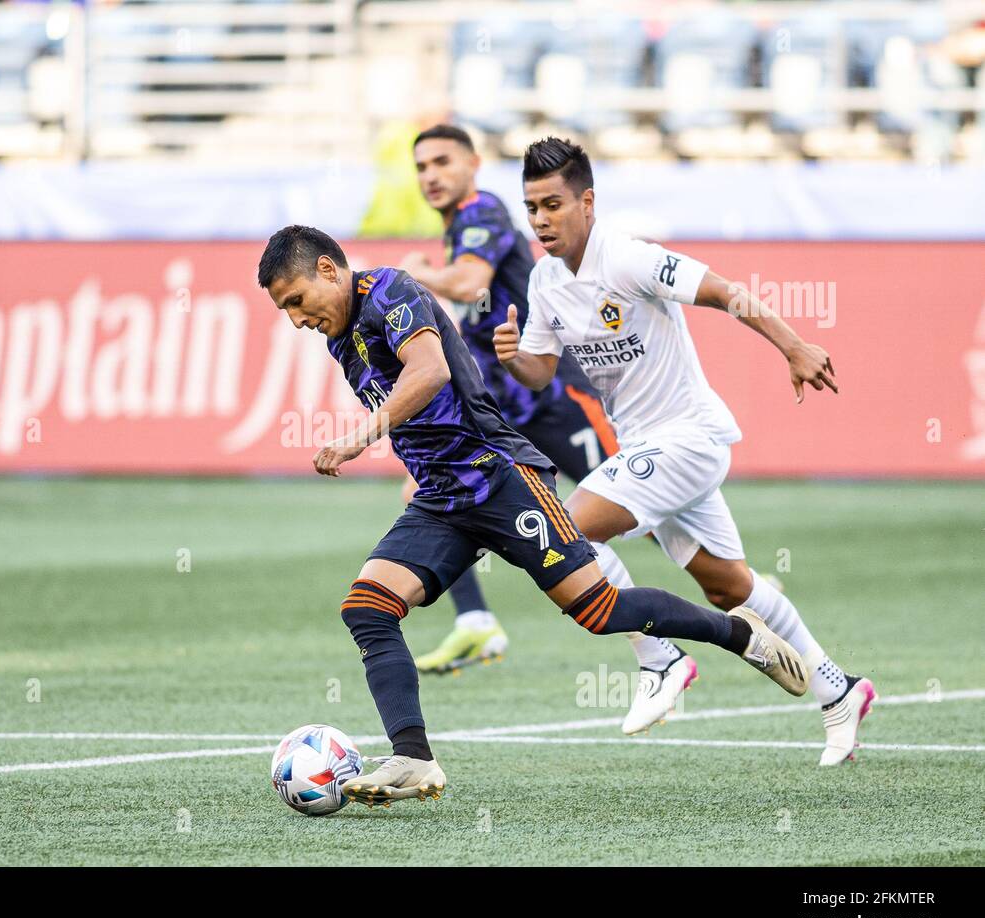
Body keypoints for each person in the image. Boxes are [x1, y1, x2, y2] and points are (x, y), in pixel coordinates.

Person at [256, 225, 809, 805]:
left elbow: (432, 371)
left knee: (600, 611)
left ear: (327, 270)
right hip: (442, 497)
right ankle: (414, 758)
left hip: (502, 478)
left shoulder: (392, 291)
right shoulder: (340, 339)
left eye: (296, 300)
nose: (296, 319)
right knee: (367, 608)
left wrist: (359, 435)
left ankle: (741, 634)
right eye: (284, 310)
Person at [496, 137, 874, 765]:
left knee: (565, 530)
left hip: (687, 438)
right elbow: (540, 370)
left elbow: (728, 293)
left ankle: (660, 657)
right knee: (728, 588)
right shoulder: (544, 279)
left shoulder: (630, 259)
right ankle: (839, 690)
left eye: (553, 204)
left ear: (587, 202)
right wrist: (516, 359)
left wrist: (794, 346)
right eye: (532, 207)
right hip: (649, 449)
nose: (540, 220)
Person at [398, 124, 618, 675]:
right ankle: (476, 623)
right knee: (429, 488)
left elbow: (471, 283)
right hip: (501, 409)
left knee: (633, 502)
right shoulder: (460, 226)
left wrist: (415, 276)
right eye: (422, 167)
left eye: (442, 162)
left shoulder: (484, 213)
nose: (431, 176)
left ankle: (735, 581)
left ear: (473, 163)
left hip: (552, 393)